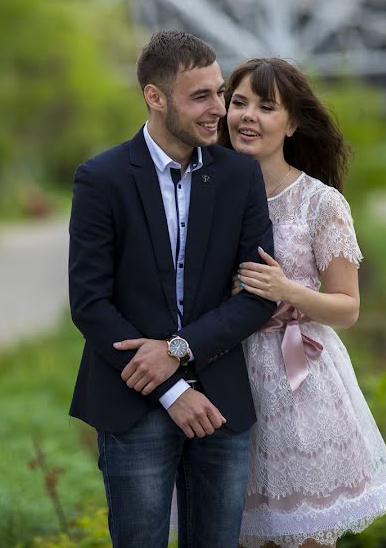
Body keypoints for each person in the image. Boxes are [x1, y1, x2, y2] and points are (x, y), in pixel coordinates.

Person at [67, 31, 277, 547]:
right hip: (131, 403)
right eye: (200, 96)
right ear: (155, 97)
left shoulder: (239, 177)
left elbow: (259, 294)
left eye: (219, 92)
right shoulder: (102, 178)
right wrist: (171, 387)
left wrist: (179, 351)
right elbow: (90, 303)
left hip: (221, 401)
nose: (219, 110)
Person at [219, 58, 386, 548]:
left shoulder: (320, 203)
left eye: (266, 106)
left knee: (304, 536)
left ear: (292, 123)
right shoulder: (207, 192)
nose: (248, 116)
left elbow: (348, 307)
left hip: (299, 388)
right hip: (227, 382)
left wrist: (287, 291)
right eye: (238, 103)